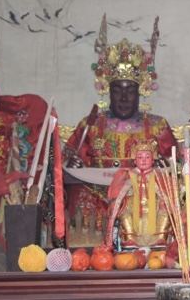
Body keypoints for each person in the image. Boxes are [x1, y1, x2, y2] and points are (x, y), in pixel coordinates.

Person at [65, 17, 177, 247]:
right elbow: (68, 158)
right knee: (80, 197)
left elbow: (177, 164)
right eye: (117, 90)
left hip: (141, 197)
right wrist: (73, 163)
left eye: (130, 90)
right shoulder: (91, 125)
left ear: (140, 91)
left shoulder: (157, 126)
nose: (124, 98)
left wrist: (165, 166)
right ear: (108, 91)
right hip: (98, 193)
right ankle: (88, 249)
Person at [105, 141, 169, 248]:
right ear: (135, 160)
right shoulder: (127, 174)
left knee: (166, 211)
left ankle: (160, 237)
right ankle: (130, 238)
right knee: (124, 213)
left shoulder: (159, 175)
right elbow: (117, 194)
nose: (143, 160)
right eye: (140, 157)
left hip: (154, 209)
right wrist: (122, 200)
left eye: (147, 157)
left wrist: (164, 202)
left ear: (153, 160)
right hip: (133, 209)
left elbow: (167, 194)